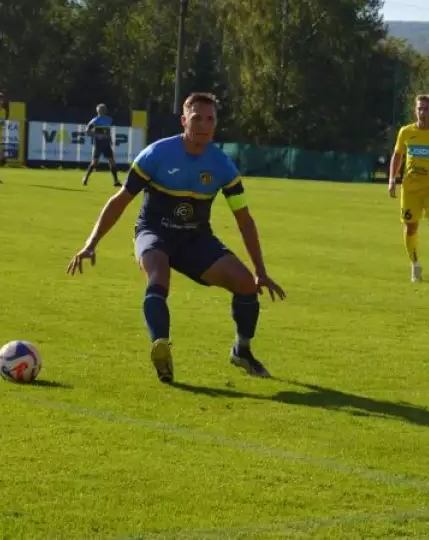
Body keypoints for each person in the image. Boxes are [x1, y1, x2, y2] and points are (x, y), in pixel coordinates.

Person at [66, 92, 286, 384]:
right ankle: (161, 350)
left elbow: (243, 219)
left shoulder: (222, 166)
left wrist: (260, 271)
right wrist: (91, 244)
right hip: (154, 232)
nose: (204, 124)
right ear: (184, 120)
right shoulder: (156, 154)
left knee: (246, 285)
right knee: (159, 276)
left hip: (195, 239)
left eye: (210, 119)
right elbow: (121, 200)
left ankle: (241, 351)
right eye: (197, 118)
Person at [388, 94, 429, 284]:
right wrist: (392, 179)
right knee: (410, 228)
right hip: (410, 191)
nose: (422, 112)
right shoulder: (406, 132)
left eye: (426, 109)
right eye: (419, 108)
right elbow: (397, 155)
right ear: (414, 110)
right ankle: (415, 265)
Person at [82, 104, 121, 187]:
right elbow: (87, 131)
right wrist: (97, 135)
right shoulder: (95, 120)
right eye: (100, 110)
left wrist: (110, 140)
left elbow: (108, 131)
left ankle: (116, 181)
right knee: (95, 162)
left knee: (112, 161)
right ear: (98, 111)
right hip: (98, 144)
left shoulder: (109, 120)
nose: (102, 111)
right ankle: (86, 177)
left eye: (103, 109)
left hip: (106, 144)